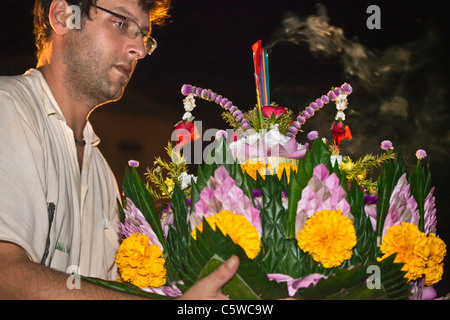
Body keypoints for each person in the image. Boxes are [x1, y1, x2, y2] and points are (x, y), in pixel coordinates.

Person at [0, 0, 239, 299]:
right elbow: (5, 276)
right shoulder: (8, 108)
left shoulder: (101, 173)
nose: (138, 49)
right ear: (63, 16)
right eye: (121, 23)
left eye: (143, 35)